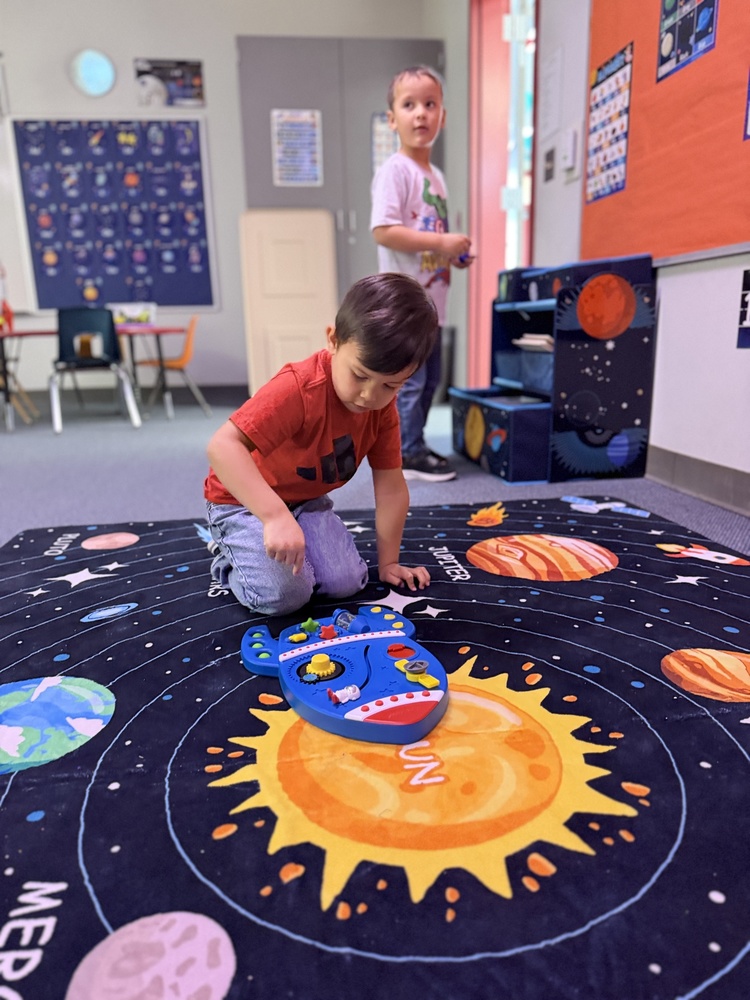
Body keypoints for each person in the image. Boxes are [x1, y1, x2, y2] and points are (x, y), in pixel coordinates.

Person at [204, 272, 436, 617]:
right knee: (285, 596)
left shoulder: (382, 409)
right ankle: (229, 557)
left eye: (391, 386)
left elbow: (390, 487)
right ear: (333, 339)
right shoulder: (298, 388)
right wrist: (273, 516)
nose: (370, 396)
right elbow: (222, 446)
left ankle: (280, 538)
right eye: (359, 375)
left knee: (347, 582)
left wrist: (389, 563)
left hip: (305, 501)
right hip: (242, 501)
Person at [371, 64, 474, 483]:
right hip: (405, 306)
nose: (421, 114)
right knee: (410, 383)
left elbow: (431, 236)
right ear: (393, 119)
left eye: (430, 105)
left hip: (433, 304)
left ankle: (412, 443)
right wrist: (440, 244)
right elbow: (384, 231)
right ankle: (403, 453)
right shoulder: (396, 171)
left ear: (442, 116)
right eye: (409, 105)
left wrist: (452, 254)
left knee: (430, 380)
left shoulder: (437, 177)